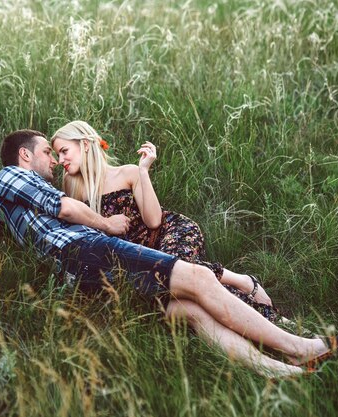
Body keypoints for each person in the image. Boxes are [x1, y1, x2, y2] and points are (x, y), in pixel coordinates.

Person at [0, 128, 338, 378]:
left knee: (187, 308)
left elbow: (151, 218)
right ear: (25, 155)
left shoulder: (113, 175)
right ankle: (302, 347)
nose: (53, 160)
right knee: (196, 276)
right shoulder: (9, 176)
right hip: (87, 249)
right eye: (46, 152)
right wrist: (106, 225)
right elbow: (66, 210)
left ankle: (285, 373)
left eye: (59, 152)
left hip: (85, 269)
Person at [51, 120, 281, 322]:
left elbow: (153, 221)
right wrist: (105, 221)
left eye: (64, 151)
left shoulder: (127, 173)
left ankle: (251, 293)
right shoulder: (72, 184)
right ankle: (260, 318)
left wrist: (143, 171)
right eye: (57, 155)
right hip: (143, 254)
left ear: (85, 144)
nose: (60, 160)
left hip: (170, 231)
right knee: (179, 292)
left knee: (181, 272)